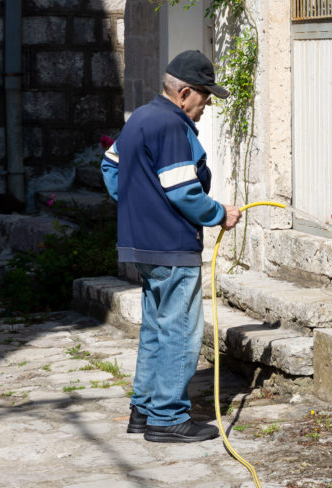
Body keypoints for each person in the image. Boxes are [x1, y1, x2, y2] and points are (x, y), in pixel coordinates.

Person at [101, 50, 242, 443]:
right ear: (184, 93)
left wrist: (135, 204)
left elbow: (110, 167)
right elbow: (183, 190)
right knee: (181, 330)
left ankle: (143, 411)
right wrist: (218, 214)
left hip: (140, 245)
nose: (207, 104)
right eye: (204, 96)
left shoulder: (140, 120)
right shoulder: (172, 126)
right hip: (172, 245)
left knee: (156, 328)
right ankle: (168, 418)